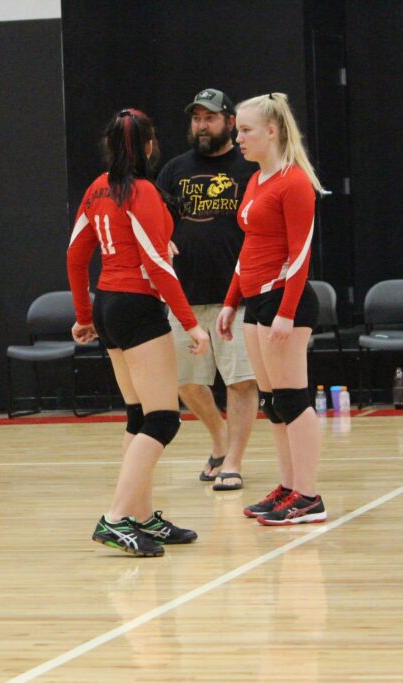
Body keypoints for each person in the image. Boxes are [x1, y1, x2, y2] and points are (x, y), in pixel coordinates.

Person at [68, 108, 211, 557]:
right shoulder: (143, 190)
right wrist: (190, 323)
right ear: (149, 145)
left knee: (139, 415)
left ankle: (141, 516)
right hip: (136, 306)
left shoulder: (97, 188)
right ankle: (114, 519)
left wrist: (84, 313)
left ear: (111, 146)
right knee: (164, 419)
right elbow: (156, 263)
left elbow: (76, 257)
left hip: (109, 304)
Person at [216, 92, 328, 526]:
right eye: (238, 130)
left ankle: (309, 495)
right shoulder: (256, 181)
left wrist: (287, 308)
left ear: (272, 131)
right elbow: (250, 246)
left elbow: (300, 255)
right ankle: (288, 486)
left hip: (287, 299)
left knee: (294, 399)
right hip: (257, 299)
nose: (238, 138)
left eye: (245, 130)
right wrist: (231, 301)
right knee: (274, 402)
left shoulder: (295, 181)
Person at [156, 88, 259, 491]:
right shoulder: (175, 169)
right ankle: (219, 437)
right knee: (185, 381)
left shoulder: (249, 168)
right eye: (196, 118)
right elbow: (157, 220)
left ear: (230, 123)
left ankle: (233, 461)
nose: (201, 125)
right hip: (184, 297)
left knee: (241, 381)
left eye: (210, 118)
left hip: (237, 296)